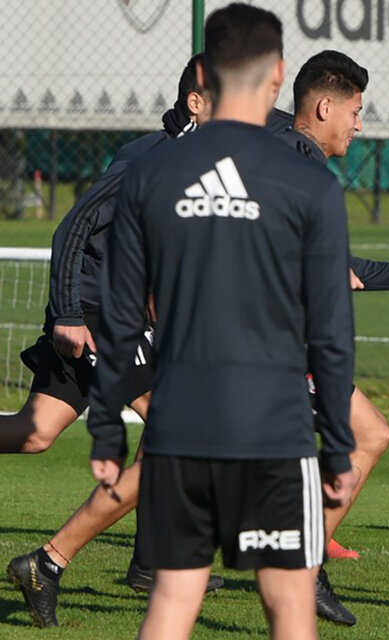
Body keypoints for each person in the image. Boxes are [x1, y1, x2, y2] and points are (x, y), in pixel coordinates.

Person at [86, 5, 356, 639]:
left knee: (174, 600)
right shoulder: (306, 180)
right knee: (289, 603)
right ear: (278, 75)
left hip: (179, 423)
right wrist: (338, 443)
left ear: (203, 73)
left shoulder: (150, 171)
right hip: (276, 428)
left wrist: (105, 430)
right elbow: (331, 329)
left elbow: (122, 316)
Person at [4, 54, 225, 629]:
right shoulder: (156, 156)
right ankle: (48, 564)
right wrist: (68, 313)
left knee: (34, 434)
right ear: (197, 103)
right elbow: (71, 226)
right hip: (96, 316)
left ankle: (152, 559)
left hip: (114, 313)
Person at [277, 49, 389, 626]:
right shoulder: (296, 167)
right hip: (266, 344)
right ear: (325, 107)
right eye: (354, 110)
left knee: (368, 435)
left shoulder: (291, 159)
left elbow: (335, 263)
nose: (359, 123)